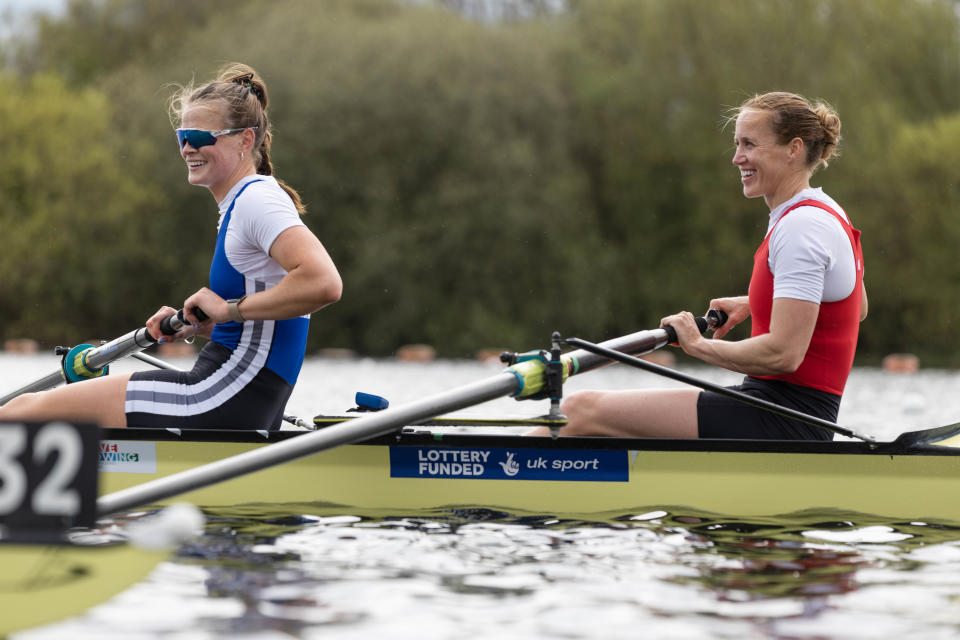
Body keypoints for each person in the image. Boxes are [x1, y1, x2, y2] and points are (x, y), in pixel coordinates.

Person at [0, 63, 342, 429]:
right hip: (240, 395)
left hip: (223, 394)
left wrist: (228, 310)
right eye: (183, 135)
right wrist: (203, 325)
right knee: (25, 411)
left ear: (245, 139)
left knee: (18, 414)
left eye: (201, 136)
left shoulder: (256, 201)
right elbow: (268, 332)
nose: (188, 147)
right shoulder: (249, 199)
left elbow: (323, 283)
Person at [531, 91, 866, 441]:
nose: (737, 158)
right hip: (783, 413)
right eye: (737, 144)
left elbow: (784, 355)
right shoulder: (828, 212)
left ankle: (500, 475)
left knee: (578, 410)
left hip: (784, 420)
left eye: (749, 144)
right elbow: (852, 305)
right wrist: (757, 302)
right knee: (596, 417)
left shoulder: (801, 227)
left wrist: (697, 344)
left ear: (793, 150)